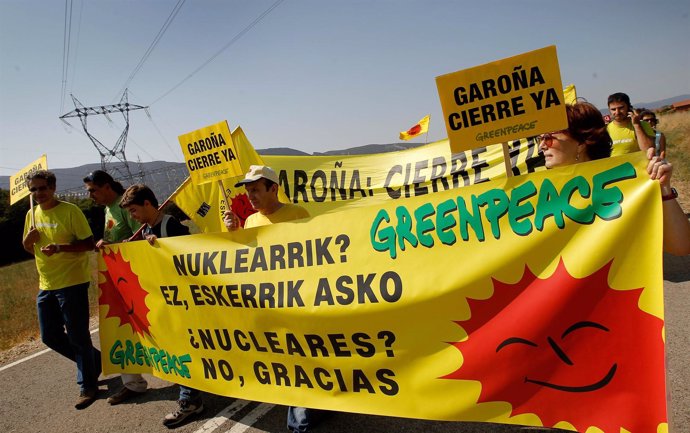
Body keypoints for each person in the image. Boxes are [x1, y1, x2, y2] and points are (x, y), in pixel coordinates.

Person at [223, 165, 317, 433]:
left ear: (273, 188)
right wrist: (235, 232)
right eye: (248, 190)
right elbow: (247, 260)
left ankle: (301, 421)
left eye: (255, 190)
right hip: (270, 304)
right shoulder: (251, 221)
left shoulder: (297, 214)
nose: (250, 196)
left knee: (300, 357)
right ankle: (311, 408)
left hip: (298, 301)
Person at [539, 101, 690, 255]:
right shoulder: (541, 195)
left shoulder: (624, 187)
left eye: (549, 138)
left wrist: (664, 188)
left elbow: (681, 247)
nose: (541, 146)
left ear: (580, 143)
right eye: (540, 139)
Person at [119, 184, 203, 427]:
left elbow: (194, 254)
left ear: (148, 204)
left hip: (184, 303)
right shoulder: (145, 230)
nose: (132, 216)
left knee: (183, 348)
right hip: (165, 303)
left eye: (134, 210)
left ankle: (190, 400)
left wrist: (164, 248)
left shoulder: (170, 226)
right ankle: (193, 395)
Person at [21, 170, 101, 409]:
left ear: (53, 187)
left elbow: (88, 243)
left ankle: (87, 386)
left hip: (72, 282)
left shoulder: (70, 211)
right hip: (46, 284)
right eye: (33, 190)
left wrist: (60, 248)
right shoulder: (31, 214)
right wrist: (29, 240)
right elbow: (28, 247)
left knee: (78, 336)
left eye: (42, 188)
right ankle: (94, 361)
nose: (38, 193)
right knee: (50, 336)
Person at [83, 170, 148, 404]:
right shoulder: (107, 209)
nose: (90, 195)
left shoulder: (125, 205)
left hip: (139, 281)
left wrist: (113, 246)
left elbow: (140, 236)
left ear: (107, 186)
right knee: (121, 331)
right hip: (120, 280)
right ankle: (133, 384)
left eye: (93, 190)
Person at [606, 92, 655, 156]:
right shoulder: (606, 130)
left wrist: (637, 125)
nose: (617, 112)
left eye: (621, 108)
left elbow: (648, 150)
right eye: (613, 109)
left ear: (629, 107)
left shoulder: (643, 125)